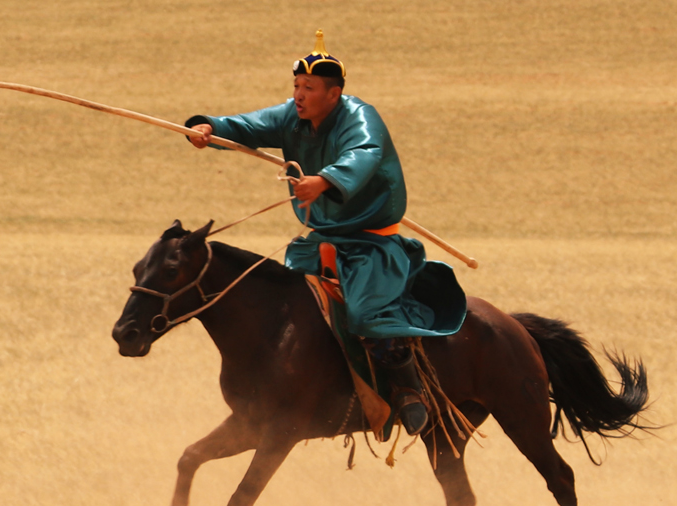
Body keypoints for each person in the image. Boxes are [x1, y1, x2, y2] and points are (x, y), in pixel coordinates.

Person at [183, 32, 465, 434]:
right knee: (291, 301)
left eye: (308, 88)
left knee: (367, 310)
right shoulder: (290, 118)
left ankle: (408, 388)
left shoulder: (361, 118)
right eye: (296, 86)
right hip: (321, 239)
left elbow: (363, 154)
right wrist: (207, 128)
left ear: (333, 95)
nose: (298, 95)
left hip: (371, 241)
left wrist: (325, 181)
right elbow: (247, 126)